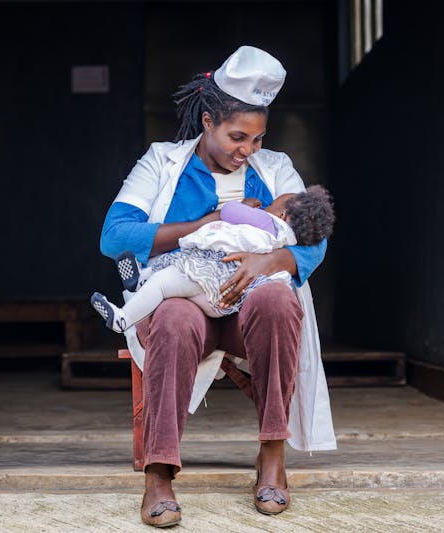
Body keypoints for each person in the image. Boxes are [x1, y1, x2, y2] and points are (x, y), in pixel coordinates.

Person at [98, 45, 336, 527]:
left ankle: (272, 456)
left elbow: (314, 240)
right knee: (172, 316)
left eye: (258, 138)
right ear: (208, 122)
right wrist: (204, 225)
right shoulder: (162, 162)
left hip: (250, 315)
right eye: (237, 137)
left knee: (277, 299)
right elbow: (115, 236)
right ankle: (159, 471)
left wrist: (268, 259)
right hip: (189, 300)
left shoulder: (276, 169)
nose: (249, 150)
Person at [91, 186, 334, 333]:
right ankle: (140, 281)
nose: (268, 205)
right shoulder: (285, 240)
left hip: (210, 279)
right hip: (219, 295)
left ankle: (123, 318)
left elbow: (229, 212)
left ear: (282, 214)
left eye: (274, 202)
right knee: (170, 273)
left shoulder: (269, 223)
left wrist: (246, 207)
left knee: (163, 284)